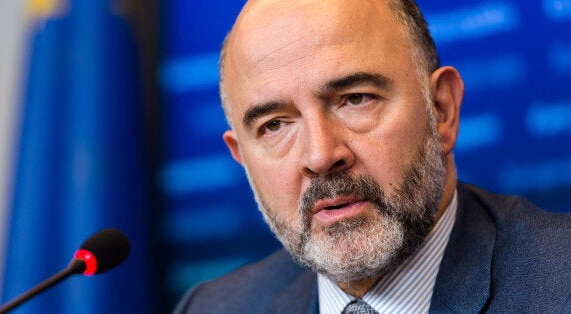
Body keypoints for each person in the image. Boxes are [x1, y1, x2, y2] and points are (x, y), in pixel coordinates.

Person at [174, 0, 571, 313]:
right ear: (241, 157)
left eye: (355, 99)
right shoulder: (210, 308)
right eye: (275, 125)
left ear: (442, 109)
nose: (320, 155)